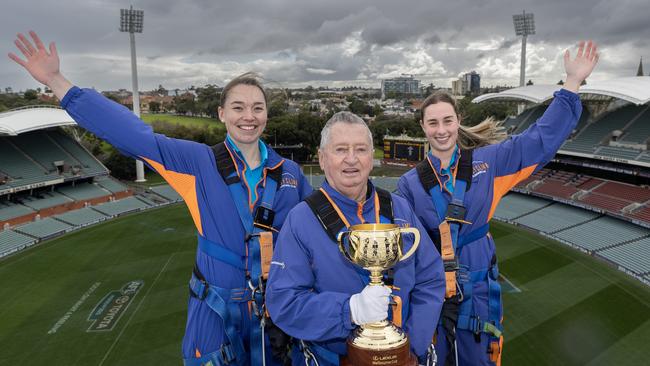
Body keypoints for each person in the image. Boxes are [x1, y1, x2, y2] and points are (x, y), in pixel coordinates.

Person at [9, 30, 313, 366]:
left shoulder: (289, 174)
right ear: (221, 113)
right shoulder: (198, 162)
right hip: (215, 313)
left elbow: (316, 236)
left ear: (266, 115)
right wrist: (57, 81)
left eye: (257, 108)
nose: (248, 116)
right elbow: (134, 135)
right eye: (238, 107)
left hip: (274, 315)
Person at [396, 41, 599, 366]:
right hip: (434, 294)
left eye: (447, 121)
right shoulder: (409, 185)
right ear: (422, 127)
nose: (441, 130)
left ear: (458, 120)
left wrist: (572, 83)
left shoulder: (488, 164)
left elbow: (538, 141)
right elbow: (406, 252)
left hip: (477, 297)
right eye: (433, 123)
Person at [265, 111, 446, 366]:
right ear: (322, 158)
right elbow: (283, 302)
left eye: (360, 149)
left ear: (371, 157)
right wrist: (349, 310)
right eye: (340, 149)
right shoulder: (301, 220)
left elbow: (431, 279)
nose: (351, 159)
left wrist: (407, 348)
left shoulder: (400, 209)